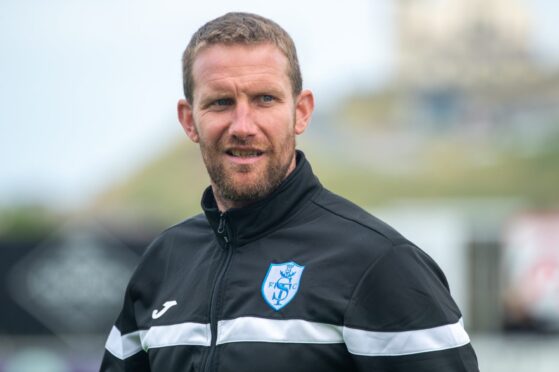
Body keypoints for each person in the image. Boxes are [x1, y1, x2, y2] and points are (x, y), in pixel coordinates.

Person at [100, 12, 479, 372]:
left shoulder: (381, 263)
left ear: (301, 111)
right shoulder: (162, 265)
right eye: (221, 102)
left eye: (265, 99)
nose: (243, 126)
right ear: (189, 120)